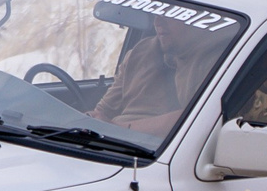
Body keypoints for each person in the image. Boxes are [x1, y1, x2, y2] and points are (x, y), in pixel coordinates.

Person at [91, 15, 219, 137]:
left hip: (160, 152)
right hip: (112, 143)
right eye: (156, 14)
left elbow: (196, 118)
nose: (158, 22)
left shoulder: (216, 63)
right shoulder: (140, 51)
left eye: (169, 14)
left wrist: (117, 129)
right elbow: (102, 111)